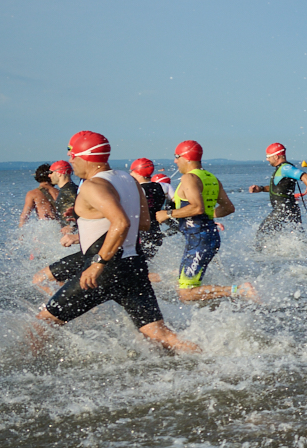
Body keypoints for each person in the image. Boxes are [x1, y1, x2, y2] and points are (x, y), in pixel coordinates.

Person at [32, 131, 197, 353]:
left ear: (86, 157)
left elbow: (121, 223)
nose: (71, 160)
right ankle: (211, 362)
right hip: (134, 264)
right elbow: (145, 223)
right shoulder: (128, 179)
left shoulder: (93, 186)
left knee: (41, 323)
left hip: (104, 268)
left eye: (73, 154)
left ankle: (29, 372)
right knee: (160, 333)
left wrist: (99, 262)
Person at [156, 139, 244, 301]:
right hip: (207, 237)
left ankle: (240, 290)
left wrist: (167, 214)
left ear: (187, 157)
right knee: (183, 285)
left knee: (186, 293)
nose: (175, 161)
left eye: (177, 156)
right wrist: (208, 216)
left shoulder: (189, 178)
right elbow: (228, 208)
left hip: (199, 240)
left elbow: (197, 207)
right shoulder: (211, 177)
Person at [248, 142, 307, 244]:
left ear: (276, 156)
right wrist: (261, 188)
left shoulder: (285, 168)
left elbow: (306, 177)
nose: (267, 159)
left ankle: (260, 257)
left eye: (268, 157)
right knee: (297, 236)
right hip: (290, 208)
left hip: (283, 209)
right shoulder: (281, 169)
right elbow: (277, 189)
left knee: (262, 233)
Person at [127, 157, 171, 262]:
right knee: (147, 262)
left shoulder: (136, 189)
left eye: (131, 172)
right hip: (156, 232)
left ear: (137, 172)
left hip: (142, 233)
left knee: (137, 264)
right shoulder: (161, 186)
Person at [49, 160, 79, 237]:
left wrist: (73, 226)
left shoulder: (69, 191)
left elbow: (85, 210)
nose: (49, 176)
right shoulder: (67, 190)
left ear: (59, 173)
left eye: (51, 172)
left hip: (73, 235)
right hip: (71, 235)